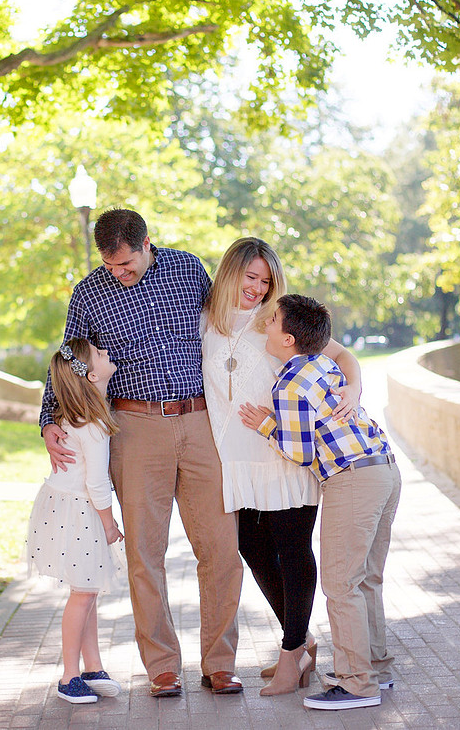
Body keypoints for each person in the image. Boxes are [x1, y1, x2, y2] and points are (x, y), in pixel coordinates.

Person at [39, 208, 244, 697]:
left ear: (147, 243)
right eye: (111, 266)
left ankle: (220, 663)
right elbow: (68, 357)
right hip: (131, 427)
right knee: (143, 553)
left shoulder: (189, 268)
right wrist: (49, 418)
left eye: (127, 264)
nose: (119, 274)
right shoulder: (89, 291)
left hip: (199, 422)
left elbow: (229, 329)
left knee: (220, 548)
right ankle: (162, 668)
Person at [200, 237, 364, 696]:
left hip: (284, 455)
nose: (256, 288)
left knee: (293, 554)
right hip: (236, 460)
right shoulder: (203, 323)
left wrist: (353, 388)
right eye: (250, 277)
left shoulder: (276, 322)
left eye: (265, 280)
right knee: (253, 550)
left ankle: (291, 655)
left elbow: (342, 356)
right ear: (230, 271)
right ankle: (304, 641)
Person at [239, 294, 402, 711]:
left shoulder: (289, 385)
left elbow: (297, 451)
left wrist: (265, 425)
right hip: (384, 467)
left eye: (273, 319)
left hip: (353, 479)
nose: (266, 323)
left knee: (341, 585)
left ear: (289, 338)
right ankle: (376, 669)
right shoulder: (323, 364)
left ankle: (355, 683)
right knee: (366, 579)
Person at [26, 338, 125, 704]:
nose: (106, 353)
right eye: (99, 354)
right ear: (92, 373)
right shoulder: (94, 423)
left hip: (65, 506)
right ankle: (69, 676)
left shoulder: (80, 414)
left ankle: (93, 666)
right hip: (82, 510)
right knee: (83, 594)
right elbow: (96, 482)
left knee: (87, 589)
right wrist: (110, 523)